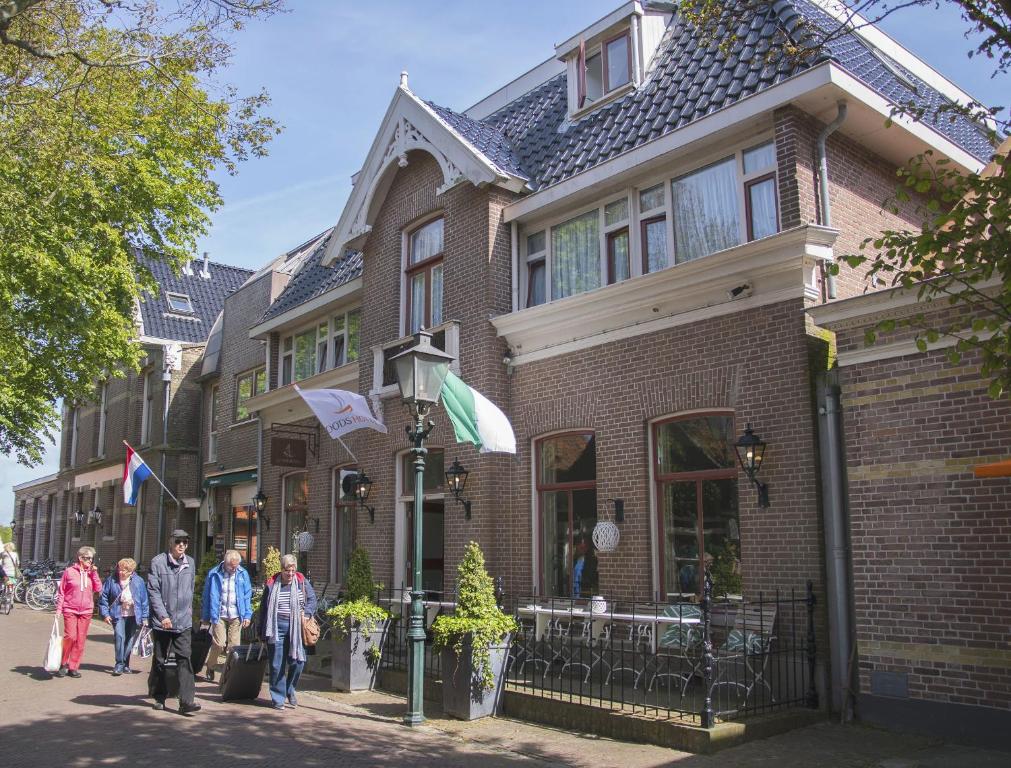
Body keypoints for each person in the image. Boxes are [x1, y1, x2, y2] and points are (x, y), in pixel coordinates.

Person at [147, 529, 200, 715]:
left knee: (185, 659)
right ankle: (159, 696)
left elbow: (190, 588)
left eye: (185, 542)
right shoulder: (158, 562)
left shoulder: (190, 563)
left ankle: (186, 701)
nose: (182, 545)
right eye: (178, 541)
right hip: (163, 622)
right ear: (171, 542)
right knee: (160, 659)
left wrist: (189, 612)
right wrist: (163, 616)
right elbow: (153, 591)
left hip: (183, 621)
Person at [257, 553, 317, 710]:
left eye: (293, 570)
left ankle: (290, 689)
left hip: (297, 627)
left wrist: (308, 613)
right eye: (287, 571)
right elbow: (263, 609)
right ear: (281, 569)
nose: (290, 574)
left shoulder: (302, 582)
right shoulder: (271, 585)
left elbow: (312, 600)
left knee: (298, 663)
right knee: (277, 664)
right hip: (276, 626)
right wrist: (260, 631)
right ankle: (278, 697)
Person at [200, 549, 252, 681]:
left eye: (236, 567)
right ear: (225, 563)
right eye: (231, 567)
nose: (234, 569)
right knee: (219, 644)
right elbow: (206, 596)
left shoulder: (242, 574)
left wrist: (247, 615)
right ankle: (211, 666)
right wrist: (205, 617)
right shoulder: (214, 574)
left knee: (233, 647)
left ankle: (229, 675)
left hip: (236, 614)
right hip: (219, 613)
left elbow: (247, 595)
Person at [53, 546, 102, 678]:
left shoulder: (91, 573)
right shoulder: (69, 572)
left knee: (80, 640)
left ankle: (73, 666)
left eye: (92, 559)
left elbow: (98, 588)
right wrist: (59, 609)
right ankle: (63, 663)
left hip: (86, 611)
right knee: (71, 636)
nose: (90, 561)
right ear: (80, 558)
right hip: (70, 608)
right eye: (88, 558)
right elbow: (62, 591)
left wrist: (94, 574)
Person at [99, 557, 150, 675]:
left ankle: (126, 664)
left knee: (130, 640)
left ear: (131, 571)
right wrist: (105, 614)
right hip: (118, 614)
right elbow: (104, 598)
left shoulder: (138, 581)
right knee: (119, 638)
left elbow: (144, 600)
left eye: (125, 571)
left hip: (133, 614)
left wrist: (145, 617)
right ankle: (119, 664)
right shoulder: (111, 580)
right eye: (120, 570)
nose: (121, 572)